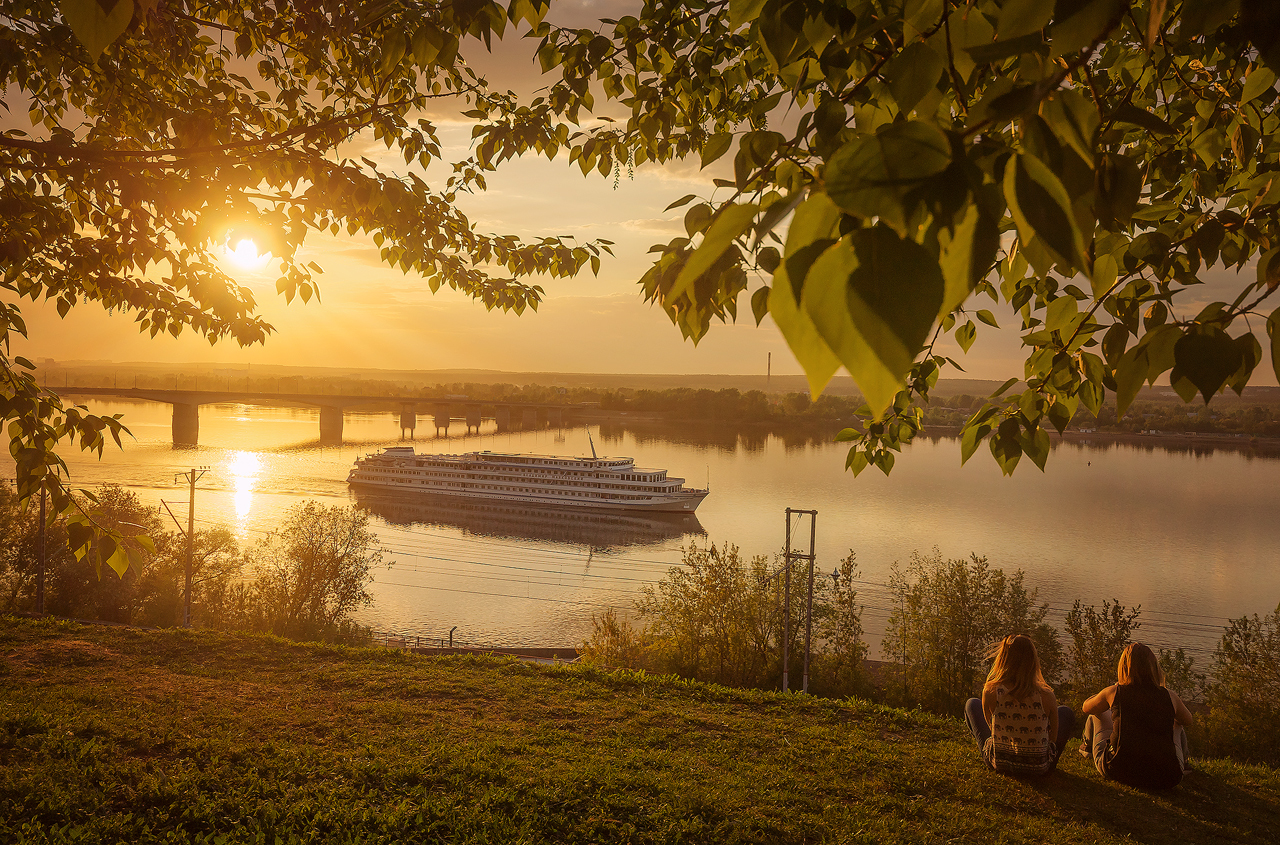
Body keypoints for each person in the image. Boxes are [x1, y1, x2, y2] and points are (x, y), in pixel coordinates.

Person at [1080, 642, 1194, 789]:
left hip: (1119, 771)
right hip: (1167, 777)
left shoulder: (1114, 692)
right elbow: (1188, 720)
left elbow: (1086, 708)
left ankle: (1087, 748)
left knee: (1096, 714)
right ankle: (1184, 763)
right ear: (1154, 668)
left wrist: (1106, 695)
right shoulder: (1169, 696)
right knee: (1178, 722)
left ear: (1124, 667)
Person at [964, 634, 1075, 776]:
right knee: (1065, 712)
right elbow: (1052, 737)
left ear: (1003, 659)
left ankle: (999, 751)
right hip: (1039, 768)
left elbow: (990, 724)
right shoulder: (1046, 695)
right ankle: (1043, 760)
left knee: (972, 704)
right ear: (1033, 661)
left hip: (1000, 764)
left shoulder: (991, 690)